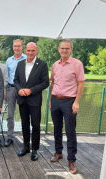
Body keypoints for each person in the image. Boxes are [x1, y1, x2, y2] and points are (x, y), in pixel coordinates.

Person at [49, 39, 85, 174]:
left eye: (67, 48)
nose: (64, 50)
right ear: (58, 49)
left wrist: (76, 102)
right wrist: (50, 99)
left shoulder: (77, 64)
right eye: (62, 48)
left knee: (70, 131)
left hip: (70, 101)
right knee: (57, 129)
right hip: (56, 100)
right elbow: (53, 82)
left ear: (71, 49)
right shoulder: (55, 65)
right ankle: (58, 152)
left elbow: (81, 84)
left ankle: (72, 160)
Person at [14, 42, 49, 161]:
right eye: (28, 51)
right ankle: (26, 147)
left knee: (35, 125)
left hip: (34, 100)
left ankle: (34, 150)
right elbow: (16, 80)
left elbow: (45, 83)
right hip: (22, 100)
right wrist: (19, 90)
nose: (30, 53)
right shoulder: (20, 64)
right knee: (24, 125)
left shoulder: (42, 65)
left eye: (32, 51)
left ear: (36, 51)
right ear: (25, 50)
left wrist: (31, 90)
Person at [5, 39, 27, 147]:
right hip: (11, 89)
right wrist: (6, 91)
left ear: (22, 47)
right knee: (10, 115)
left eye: (19, 46)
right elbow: (7, 76)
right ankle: (10, 137)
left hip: (24, 89)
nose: (17, 48)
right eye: (15, 46)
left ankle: (26, 138)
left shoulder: (27, 59)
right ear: (13, 47)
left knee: (25, 114)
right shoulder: (9, 60)